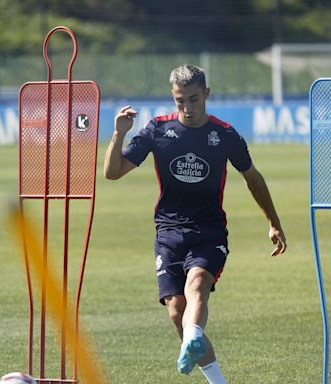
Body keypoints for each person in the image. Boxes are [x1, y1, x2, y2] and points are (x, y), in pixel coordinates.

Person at [104, 64, 287, 383]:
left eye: (192, 99)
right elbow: (113, 172)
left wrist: (273, 222)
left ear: (206, 94)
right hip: (168, 232)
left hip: (209, 231)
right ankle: (211, 367)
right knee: (177, 311)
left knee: (198, 285)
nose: (186, 108)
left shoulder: (225, 135)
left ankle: (192, 335)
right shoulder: (157, 131)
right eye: (179, 101)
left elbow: (252, 178)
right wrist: (119, 132)